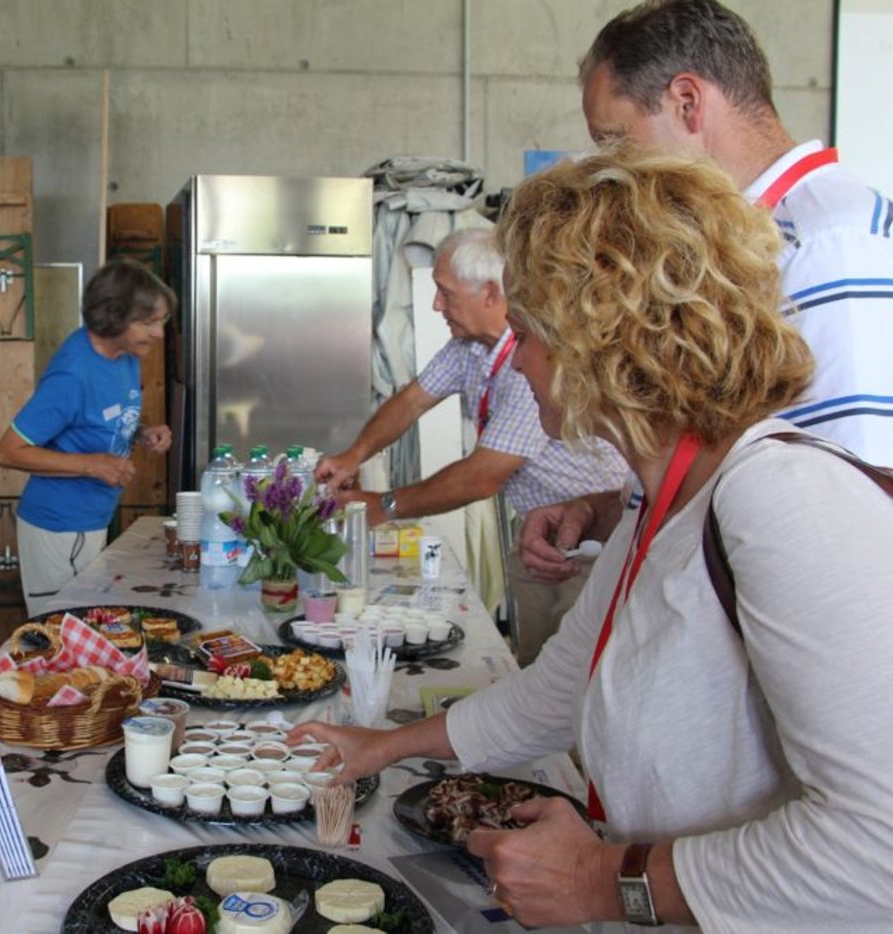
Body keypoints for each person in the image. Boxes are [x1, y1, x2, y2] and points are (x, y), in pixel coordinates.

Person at [290, 147, 893, 931]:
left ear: (602, 344)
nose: (525, 363)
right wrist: (384, 745)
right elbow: (559, 691)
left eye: (533, 334)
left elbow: (876, 846)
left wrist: (610, 880)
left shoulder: (783, 500)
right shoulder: (657, 500)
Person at [522, 0, 893, 585]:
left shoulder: (827, 241)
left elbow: (852, 519)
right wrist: (611, 508)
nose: (618, 170)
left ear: (688, 102)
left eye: (617, 141)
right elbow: (728, 466)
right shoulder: (748, 242)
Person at [314, 228, 629, 664]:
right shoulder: (469, 347)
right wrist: (353, 456)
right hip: (538, 530)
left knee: (575, 676)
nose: (435, 305)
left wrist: (382, 505)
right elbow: (411, 400)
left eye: (445, 293)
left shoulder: (532, 360)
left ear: (490, 292)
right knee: (534, 665)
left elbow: (482, 477)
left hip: (591, 539)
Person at [0, 259, 173, 613]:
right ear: (114, 317)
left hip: (92, 518)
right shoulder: (72, 376)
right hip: (58, 526)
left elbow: (97, 419)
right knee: (60, 633)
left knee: (86, 624)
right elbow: (8, 452)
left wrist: (140, 432)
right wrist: (93, 465)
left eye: (161, 322)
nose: (159, 334)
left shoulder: (124, 355)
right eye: (148, 322)